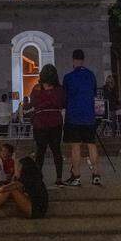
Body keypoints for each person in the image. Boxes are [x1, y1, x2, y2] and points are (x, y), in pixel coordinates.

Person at [62, 49, 102, 186]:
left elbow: (65, 98)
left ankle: (77, 175)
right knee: (91, 145)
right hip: (89, 115)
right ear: (83, 60)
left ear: (73, 60)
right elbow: (94, 93)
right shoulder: (91, 75)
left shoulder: (68, 77)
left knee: (76, 147)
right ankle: (96, 174)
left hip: (73, 116)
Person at [0, 155, 49, 220]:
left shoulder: (28, 177)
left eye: (18, 166)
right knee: (9, 189)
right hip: (34, 207)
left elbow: (8, 188)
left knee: (11, 190)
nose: (17, 168)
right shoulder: (32, 177)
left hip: (36, 210)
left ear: (24, 167)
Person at [29, 64, 65, 187]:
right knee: (56, 151)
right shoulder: (59, 89)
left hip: (40, 122)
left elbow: (33, 102)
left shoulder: (37, 89)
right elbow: (62, 102)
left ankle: (38, 178)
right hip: (55, 121)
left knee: (40, 152)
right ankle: (59, 178)